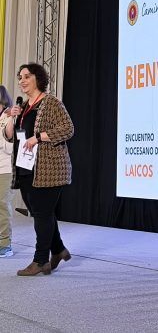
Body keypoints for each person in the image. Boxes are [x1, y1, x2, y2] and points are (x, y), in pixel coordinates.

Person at [4, 63, 74, 276]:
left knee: (42, 214)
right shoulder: (23, 107)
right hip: (26, 168)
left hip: (49, 168)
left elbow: (68, 129)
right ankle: (59, 249)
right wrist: (11, 117)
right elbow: (10, 136)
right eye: (20, 77)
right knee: (41, 213)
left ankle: (41, 260)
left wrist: (39, 137)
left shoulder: (51, 103)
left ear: (38, 78)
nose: (22, 81)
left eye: (26, 76)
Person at [0, 86, 14, 257]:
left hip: (5, 169)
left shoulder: (9, 116)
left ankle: (5, 245)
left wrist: (11, 117)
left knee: (2, 205)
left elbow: (8, 142)